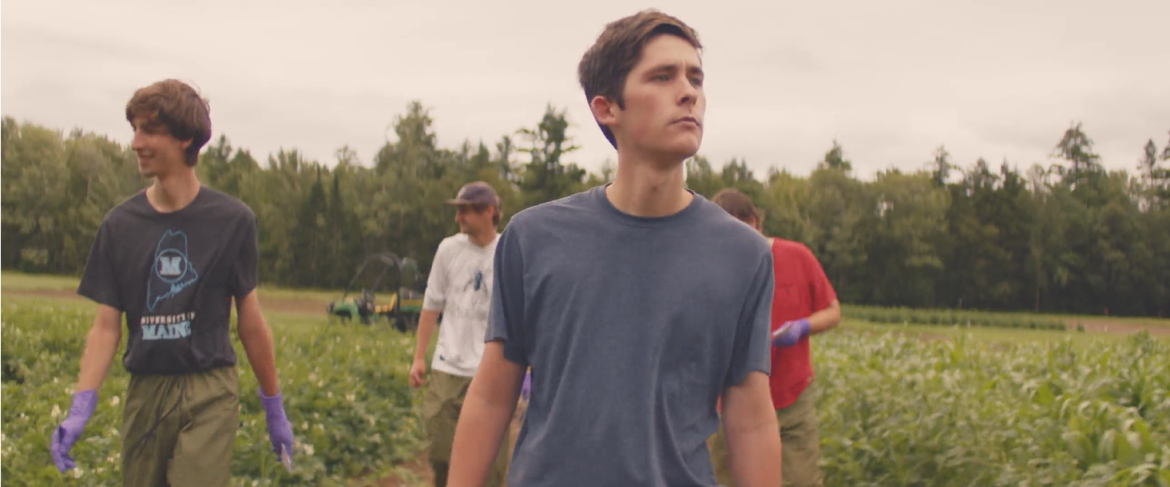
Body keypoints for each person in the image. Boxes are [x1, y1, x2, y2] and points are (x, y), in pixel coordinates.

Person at [447, 9, 782, 487]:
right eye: (662, 76)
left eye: (695, 78)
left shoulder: (743, 256)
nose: (688, 92)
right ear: (607, 108)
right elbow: (491, 396)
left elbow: (750, 419)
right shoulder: (533, 238)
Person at [49, 79, 294, 486]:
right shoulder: (119, 226)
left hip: (209, 389)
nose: (135, 143)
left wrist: (273, 405)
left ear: (185, 138)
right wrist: (81, 404)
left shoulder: (232, 221)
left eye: (149, 130)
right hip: (145, 391)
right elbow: (106, 326)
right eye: (134, 130)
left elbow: (250, 320)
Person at [709, 187, 841, 487]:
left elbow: (833, 311)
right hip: (730, 401)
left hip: (791, 399)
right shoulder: (713, 270)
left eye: (739, 229)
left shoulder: (797, 256)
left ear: (755, 222)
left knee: (801, 479)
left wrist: (802, 327)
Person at [408, 181, 510, 487]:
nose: (458, 218)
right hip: (447, 367)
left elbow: (521, 312)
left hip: (491, 370)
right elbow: (432, 303)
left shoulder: (508, 251)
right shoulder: (449, 249)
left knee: (489, 466)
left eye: (464, 211)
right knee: (441, 454)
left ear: (488, 211)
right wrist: (418, 358)